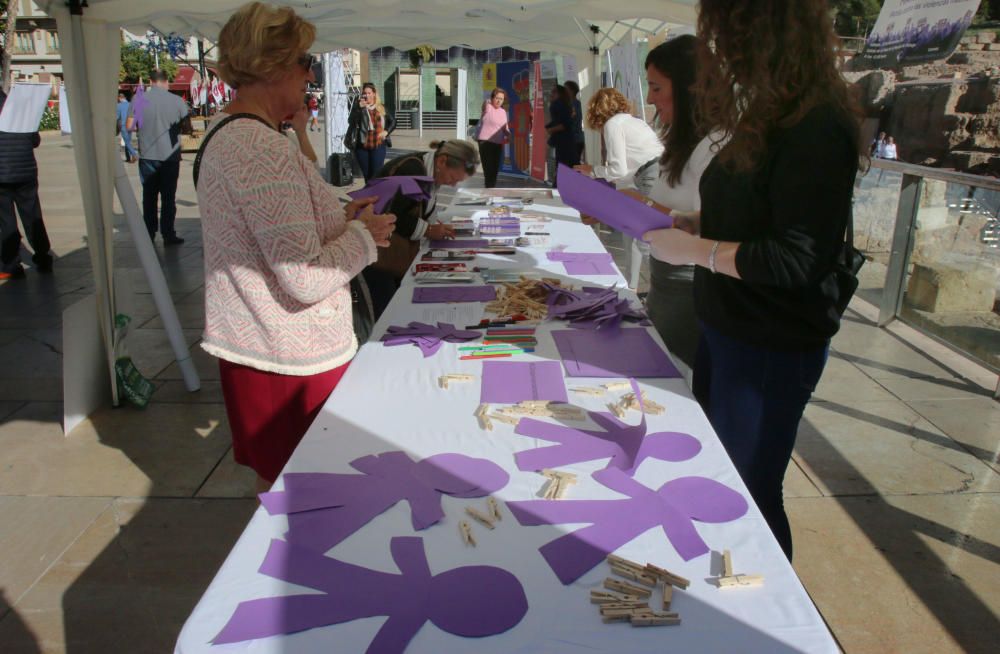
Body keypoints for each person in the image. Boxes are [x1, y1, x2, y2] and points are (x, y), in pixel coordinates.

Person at [642, 0, 863, 559]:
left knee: (750, 493)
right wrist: (691, 222)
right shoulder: (767, 112)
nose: (720, 55)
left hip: (769, 346)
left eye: (725, 39)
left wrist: (695, 248)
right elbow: (753, 213)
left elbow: (796, 258)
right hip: (726, 328)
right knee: (719, 478)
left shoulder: (816, 123)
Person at [198, 1, 396, 489]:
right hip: (286, 354)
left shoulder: (235, 133)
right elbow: (303, 276)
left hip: (266, 346)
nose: (309, 74)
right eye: (305, 62)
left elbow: (275, 231)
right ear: (273, 66)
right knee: (307, 491)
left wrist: (340, 216)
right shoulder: (260, 147)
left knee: (291, 489)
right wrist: (361, 238)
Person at [362, 139, 479, 318]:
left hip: (387, 251)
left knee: (397, 305)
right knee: (386, 311)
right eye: (453, 178)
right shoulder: (412, 171)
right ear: (442, 161)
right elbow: (396, 217)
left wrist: (433, 227)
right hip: (376, 256)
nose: (453, 185)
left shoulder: (427, 169)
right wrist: (429, 230)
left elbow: (421, 209)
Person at [573, 87, 663, 289]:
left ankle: (660, 287)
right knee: (630, 232)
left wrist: (592, 171)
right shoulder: (634, 121)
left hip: (649, 177)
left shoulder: (612, 125)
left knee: (643, 239)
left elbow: (617, 169)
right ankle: (631, 287)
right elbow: (626, 173)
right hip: (656, 173)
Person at [127, 70, 190, 246]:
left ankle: (149, 232)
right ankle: (168, 233)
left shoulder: (139, 99)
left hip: (148, 155)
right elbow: (187, 127)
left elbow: (130, 126)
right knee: (168, 197)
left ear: (150, 81)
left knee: (149, 196)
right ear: (166, 81)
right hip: (170, 156)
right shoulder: (177, 101)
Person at [0, 90, 53, 280]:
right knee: (32, 215)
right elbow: (35, 140)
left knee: (6, 220)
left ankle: (11, 264)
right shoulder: (21, 109)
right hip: (26, 170)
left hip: (2, 175)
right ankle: (43, 256)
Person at [346, 82, 396, 182]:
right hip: (362, 144)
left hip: (378, 143)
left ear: (374, 94)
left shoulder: (381, 107)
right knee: (367, 176)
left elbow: (393, 121)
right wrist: (358, 109)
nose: (367, 95)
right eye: (365, 93)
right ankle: (369, 196)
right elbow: (350, 121)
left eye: (369, 93)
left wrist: (386, 132)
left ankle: (377, 196)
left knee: (376, 175)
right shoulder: (359, 107)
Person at [476, 87, 510, 188]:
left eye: (502, 99)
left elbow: (505, 127)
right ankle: (488, 188)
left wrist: (510, 135)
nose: (499, 100)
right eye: (497, 98)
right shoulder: (488, 106)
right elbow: (484, 103)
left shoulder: (503, 112)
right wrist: (488, 100)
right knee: (488, 168)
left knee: (494, 169)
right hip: (485, 142)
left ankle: (491, 188)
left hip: (498, 143)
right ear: (492, 98)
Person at [545, 84, 580, 182]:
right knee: (569, 164)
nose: (551, 94)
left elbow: (564, 124)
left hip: (563, 141)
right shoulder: (565, 104)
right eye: (551, 92)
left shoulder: (558, 104)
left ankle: (561, 183)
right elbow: (561, 121)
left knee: (563, 164)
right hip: (566, 140)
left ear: (560, 94)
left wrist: (550, 129)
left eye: (554, 92)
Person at [564, 80, 585, 163]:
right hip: (578, 139)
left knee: (572, 164)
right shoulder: (579, 104)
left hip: (573, 140)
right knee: (574, 163)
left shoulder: (570, 105)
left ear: (572, 91)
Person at [116, 91, 137, 163]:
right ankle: (128, 158)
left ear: (119, 98)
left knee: (126, 142)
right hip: (131, 124)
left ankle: (134, 154)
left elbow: (117, 117)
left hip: (123, 125)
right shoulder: (130, 104)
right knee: (128, 142)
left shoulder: (118, 106)